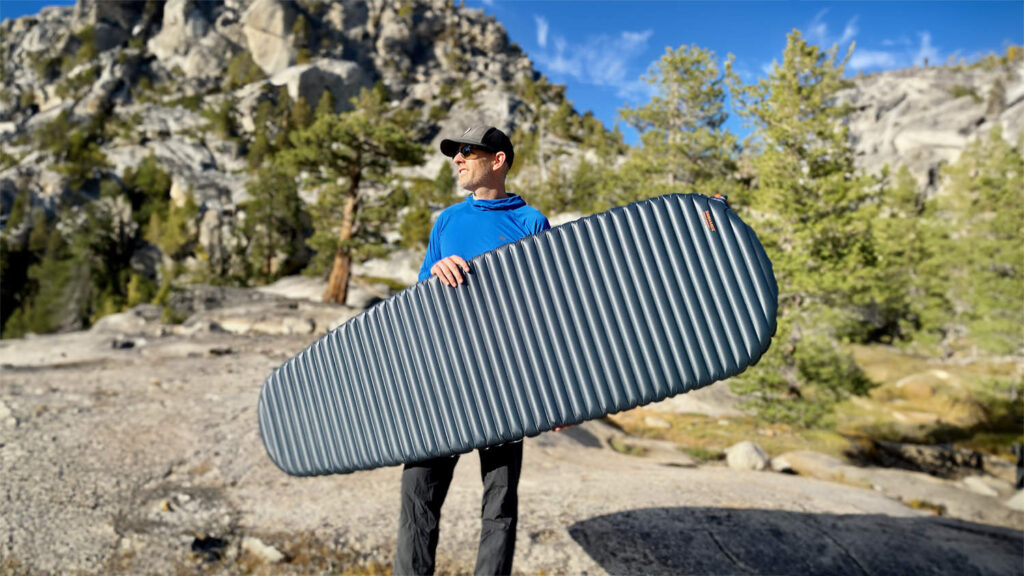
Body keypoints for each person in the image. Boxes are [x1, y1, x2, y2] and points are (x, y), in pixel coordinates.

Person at [394, 125, 550, 576]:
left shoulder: (530, 223)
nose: (457, 160)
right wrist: (435, 268)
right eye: (454, 153)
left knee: (499, 505)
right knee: (417, 499)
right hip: (443, 378)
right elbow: (422, 300)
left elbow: (545, 315)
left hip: (505, 383)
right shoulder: (446, 221)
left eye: (467, 152)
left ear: (497, 160)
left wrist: (557, 394)